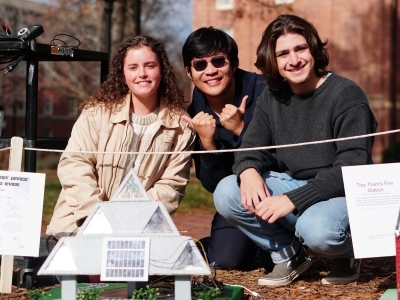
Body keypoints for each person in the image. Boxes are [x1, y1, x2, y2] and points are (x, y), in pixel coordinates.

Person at [214, 14, 377, 286]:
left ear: (313, 49)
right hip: (294, 184)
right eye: (283, 54)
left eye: (300, 49)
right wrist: (249, 170)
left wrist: (293, 200)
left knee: (316, 230)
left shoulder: (347, 95)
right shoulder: (273, 97)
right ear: (273, 61)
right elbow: (251, 145)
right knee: (228, 191)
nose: (294, 60)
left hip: (342, 193)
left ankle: (347, 252)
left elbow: (353, 166)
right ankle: (288, 254)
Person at [46, 36, 195, 240]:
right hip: (79, 225)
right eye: (133, 67)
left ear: (162, 71)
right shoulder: (95, 114)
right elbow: (74, 165)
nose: (142, 74)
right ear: (123, 75)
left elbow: (171, 186)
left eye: (150, 66)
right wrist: (98, 217)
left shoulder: (180, 127)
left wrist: (126, 221)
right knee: (93, 266)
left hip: (139, 230)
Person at [181, 27, 272, 271]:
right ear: (189, 72)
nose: (210, 70)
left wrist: (242, 130)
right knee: (225, 260)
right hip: (237, 201)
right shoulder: (196, 112)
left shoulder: (266, 92)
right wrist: (208, 143)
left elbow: (285, 159)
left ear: (232, 63)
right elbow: (213, 185)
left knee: (272, 262)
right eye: (199, 65)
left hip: (277, 191)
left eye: (218, 61)